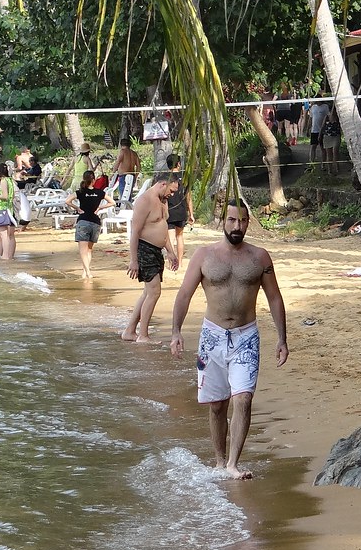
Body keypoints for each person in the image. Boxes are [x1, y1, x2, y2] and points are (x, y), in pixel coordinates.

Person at [170, 199, 288, 480]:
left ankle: (234, 464)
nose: (238, 226)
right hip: (211, 338)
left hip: (246, 337)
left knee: (243, 399)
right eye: (232, 220)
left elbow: (274, 297)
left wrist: (282, 338)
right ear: (222, 221)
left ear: (249, 222)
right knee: (217, 405)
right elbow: (184, 294)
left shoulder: (260, 258)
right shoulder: (204, 256)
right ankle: (220, 461)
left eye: (243, 221)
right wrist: (175, 332)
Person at [121, 173, 180, 342]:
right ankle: (143, 335)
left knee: (147, 292)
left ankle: (130, 331)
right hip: (145, 249)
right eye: (172, 190)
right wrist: (134, 260)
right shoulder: (144, 201)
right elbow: (135, 232)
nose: (173, 194)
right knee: (154, 292)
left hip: (157, 251)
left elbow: (162, 227)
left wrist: (170, 251)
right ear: (163, 184)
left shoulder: (163, 201)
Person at [68, 170, 112, 279]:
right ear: (93, 180)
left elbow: (67, 201)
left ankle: (87, 272)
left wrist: (77, 208)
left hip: (83, 221)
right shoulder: (100, 192)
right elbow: (113, 202)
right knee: (89, 250)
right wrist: (100, 207)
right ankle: (85, 271)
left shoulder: (80, 192)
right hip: (95, 222)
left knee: (83, 250)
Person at [165, 155, 196, 270]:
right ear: (178, 164)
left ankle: (171, 264)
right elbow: (189, 197)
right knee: (180, 236)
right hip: (181, 212)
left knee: (170, 238)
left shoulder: (166, 178)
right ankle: (181, 263)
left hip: (169, 212)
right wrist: (191, 214)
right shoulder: (184, 179)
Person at [0, 163, 18, 260]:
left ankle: (5, 256)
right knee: (10, 235)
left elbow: (5, 196)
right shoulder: (10, 180)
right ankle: (9, 256)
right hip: (10, 209)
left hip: (2, 210)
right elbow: (12, 196)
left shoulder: (3, 181)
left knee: (3, 235)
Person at [111, 139, 141, 203]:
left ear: (121, 144)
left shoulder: (122, 151)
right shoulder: (134, 153)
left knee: (123, 195)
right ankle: (129, 208)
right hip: (132, 175)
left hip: (123, 176)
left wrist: (112, 173)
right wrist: (136, 176)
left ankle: (125, 209)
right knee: (129, 194)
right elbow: (138, 166)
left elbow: (118, 162)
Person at [321, 105, 342, 175]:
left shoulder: (339, 118)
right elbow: (323, 126)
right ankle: (330, 170)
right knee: (329, 154)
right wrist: (320, 135)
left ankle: (337, 168)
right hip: (327, 136)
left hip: (336, 136)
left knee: (335, 151)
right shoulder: (326, 117)